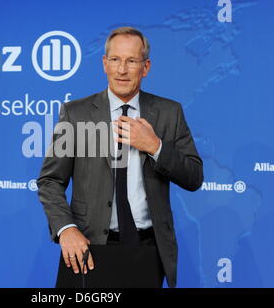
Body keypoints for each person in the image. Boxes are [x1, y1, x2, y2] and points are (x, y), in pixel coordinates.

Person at [37, 27, 203, 288]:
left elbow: (194, 177)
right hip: (87, 248)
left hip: (146, 250)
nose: (122, 70)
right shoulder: (75, 114)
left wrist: (156, 146)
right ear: (105, 64)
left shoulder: (170, 113)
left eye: (131, 61)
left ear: (145, 67)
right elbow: (50, 181)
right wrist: (66, 229)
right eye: (115, 60)